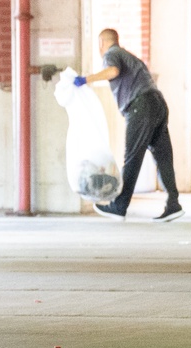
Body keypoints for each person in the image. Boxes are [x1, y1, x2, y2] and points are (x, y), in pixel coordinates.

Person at [74, 28, 183, 222]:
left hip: (140, 107)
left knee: (132, 156)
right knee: (163, 156)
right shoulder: (130, 57)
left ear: (101, 43)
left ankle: (119, 206)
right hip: (158, 104)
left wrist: (86, 80)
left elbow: (113, 71)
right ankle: (173, 203)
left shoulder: (112, 54)